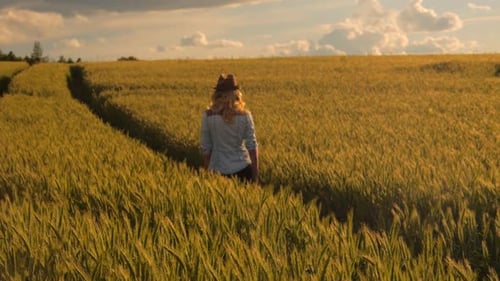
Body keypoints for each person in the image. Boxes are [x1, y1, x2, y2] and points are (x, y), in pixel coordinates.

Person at [200, 74, 259, 183]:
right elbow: (252, 147)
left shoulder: (208, 116)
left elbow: (206, 149)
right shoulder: (245, 116)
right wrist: (255, 175)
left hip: (217, 170)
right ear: (236, 93)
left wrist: (206, 173)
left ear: (217, 94)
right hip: (243, 169)